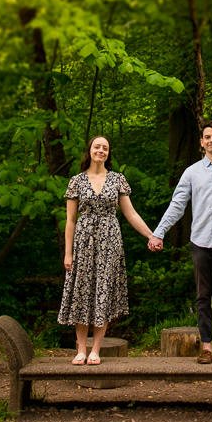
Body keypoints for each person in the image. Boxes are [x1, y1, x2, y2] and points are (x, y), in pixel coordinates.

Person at [148, 120, 212, 364]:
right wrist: (158, 232)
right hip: (201, 243)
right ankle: (206, 347)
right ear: (202, 143)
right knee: (203, 295)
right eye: (208, 137)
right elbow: (177, 205)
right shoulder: (192, 172)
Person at [57, 135, 154, 365]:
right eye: (97, 146)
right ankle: (81, 349)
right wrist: (68, 252)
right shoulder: (76, 181)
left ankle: (96, 350)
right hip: (83, 242)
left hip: (110, 243)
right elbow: (70, 220)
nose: (101, 150)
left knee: (103, 292)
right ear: (89, 150)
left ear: (108, 153)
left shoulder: (118, 179)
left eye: (105, 148)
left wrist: (151, 235)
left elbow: (131, 214)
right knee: (81, 292)